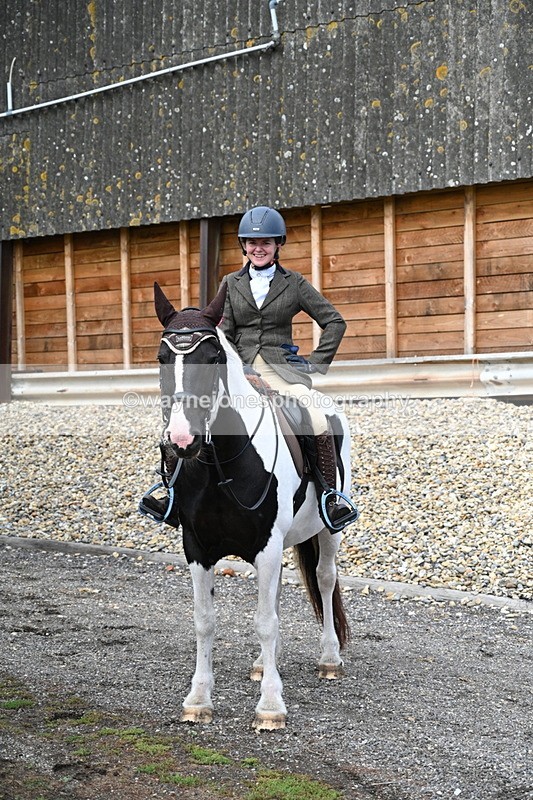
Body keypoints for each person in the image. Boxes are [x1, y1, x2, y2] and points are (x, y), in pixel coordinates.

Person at [219, 205, 357, 530]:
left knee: (317, 415)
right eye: (252, 243)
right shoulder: (229, 283)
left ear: (278, 244)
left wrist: (315, 364)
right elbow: (223, 334)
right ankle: (169, 493)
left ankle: (328, 496)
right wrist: (238, 367)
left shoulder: (293, 283)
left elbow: (334, 321)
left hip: (282, 373)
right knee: (190, 414)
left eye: (266, 242)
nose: (258, 248)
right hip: (239, 373)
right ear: (243, 246)